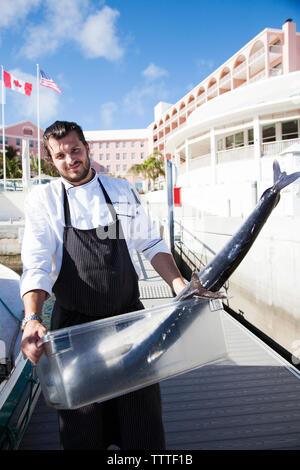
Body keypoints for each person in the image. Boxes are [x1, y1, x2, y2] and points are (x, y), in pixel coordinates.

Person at [20, 120, 186, 450]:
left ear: (87, 148)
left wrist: (179, 284)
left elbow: (150, 243)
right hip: (74, 335)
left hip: (129, 327)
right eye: (60, 156)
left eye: (75, 150)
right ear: (52, 160)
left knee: (143, 427)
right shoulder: (45, 200)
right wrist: (32, 318)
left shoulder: (120, 190)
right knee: (82, 430)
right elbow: (37, 263)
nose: (70, 160)